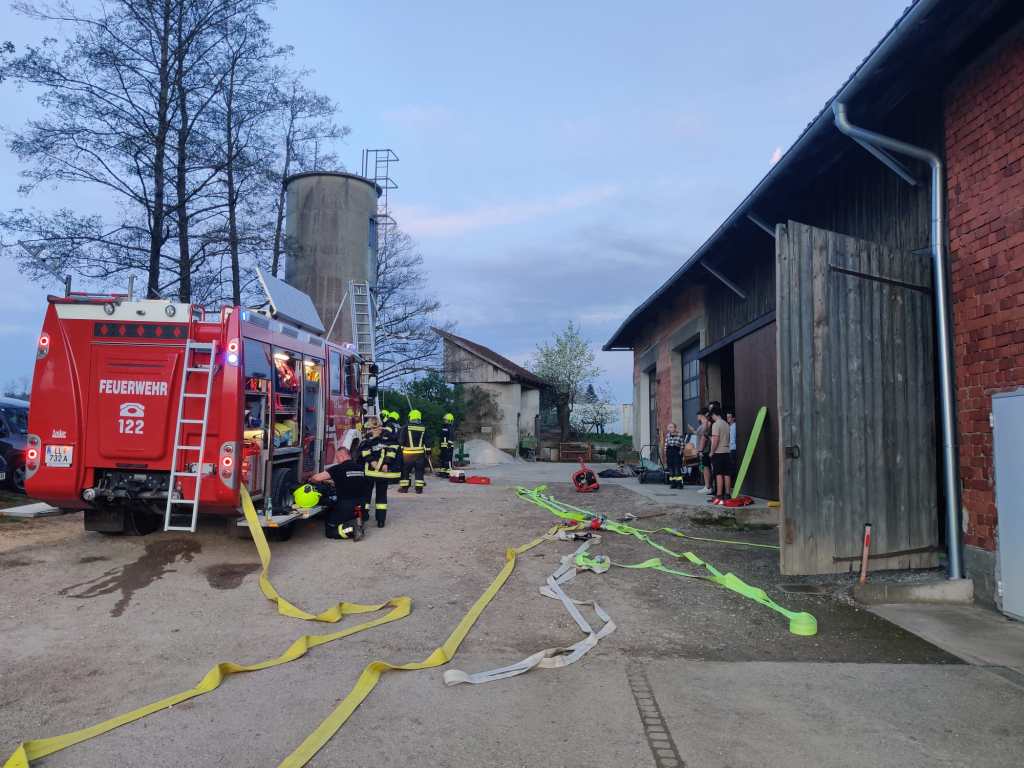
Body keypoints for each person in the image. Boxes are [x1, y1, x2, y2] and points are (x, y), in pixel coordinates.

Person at [308, 442, 367, 540]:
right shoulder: (360, 468)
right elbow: (350, 481)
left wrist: (310, 479)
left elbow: (317, 478)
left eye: (337, 458)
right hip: (360, 506)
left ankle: (352, 529)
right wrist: (331, 482)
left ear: (341, 456)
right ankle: (358, 522)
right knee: (354, 511)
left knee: (330, 530)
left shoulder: (338, 468)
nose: (337, 460)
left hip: (346, 507)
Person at [360, 415, 398, 528]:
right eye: (371, 428)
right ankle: (364, 515)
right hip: (369, 472)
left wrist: (386, 463)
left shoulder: (388, 436)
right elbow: (364, 451)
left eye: (375, 428)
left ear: (380, 426)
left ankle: (381, 520)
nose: (373, 430)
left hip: (382, 472)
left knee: (381, 497)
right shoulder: (366, 437)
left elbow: (392, 450)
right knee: (366, 495)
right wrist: (371, 461)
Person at [398, 409, 430, 494]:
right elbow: (427, 442)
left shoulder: (405, 427)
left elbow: (401, 441)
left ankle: (404, 488)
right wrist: (428, 453)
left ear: (410, 417)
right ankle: (419, 489)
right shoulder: (424, 428)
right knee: (419, 471)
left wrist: (400, 452)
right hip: (419, 454)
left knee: (405, 471)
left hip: (407, 454)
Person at [708, 403, 733, 504]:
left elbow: (715, 440)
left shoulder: (716, 424)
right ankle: (727, 494)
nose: (712, 418)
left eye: (711, 416)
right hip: (727, 451)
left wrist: (711, 452)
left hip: (718, 452)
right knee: (727, 474)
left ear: (714, 414)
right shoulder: (726, 424)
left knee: (718, 474)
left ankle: (719, 496)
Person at [690, 409, 713, 494]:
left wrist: (700, 450)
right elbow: (699, 434)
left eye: (698, 415)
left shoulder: (707, 423)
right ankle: (707, 486)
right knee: (704, 467)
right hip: (702, 448)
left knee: (706, 467)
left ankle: (708, 487)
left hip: (705, 448)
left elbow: (705, 435)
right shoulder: (703, 424)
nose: (697, 417)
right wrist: (693, 430)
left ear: (701, 415)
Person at [664, 422, 685, 489]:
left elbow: (682, 445)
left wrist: (680, 452)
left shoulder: (679, 435)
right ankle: (673, 483)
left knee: (677, 468)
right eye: (669, 427)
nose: (670, 428)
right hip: (669, 452)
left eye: (671, 427)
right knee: (671, 468)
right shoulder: (667, 435)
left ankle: (679, 483)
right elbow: (666, 444)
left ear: (675, 428)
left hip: (676, 451)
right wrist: (665, 452)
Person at [438, 412, 455, 477]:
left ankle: (448, 473)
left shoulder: (450, 427)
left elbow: (451, 436)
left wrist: (449, 444)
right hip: (443, 447)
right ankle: (442, 472)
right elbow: (441, 437)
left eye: (445, 420)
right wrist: (440, 446)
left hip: (448, 447)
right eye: (444, 420)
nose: (444, 421)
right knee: (442, 459)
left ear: (449, 420)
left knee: (448, 460)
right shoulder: (444, 427)